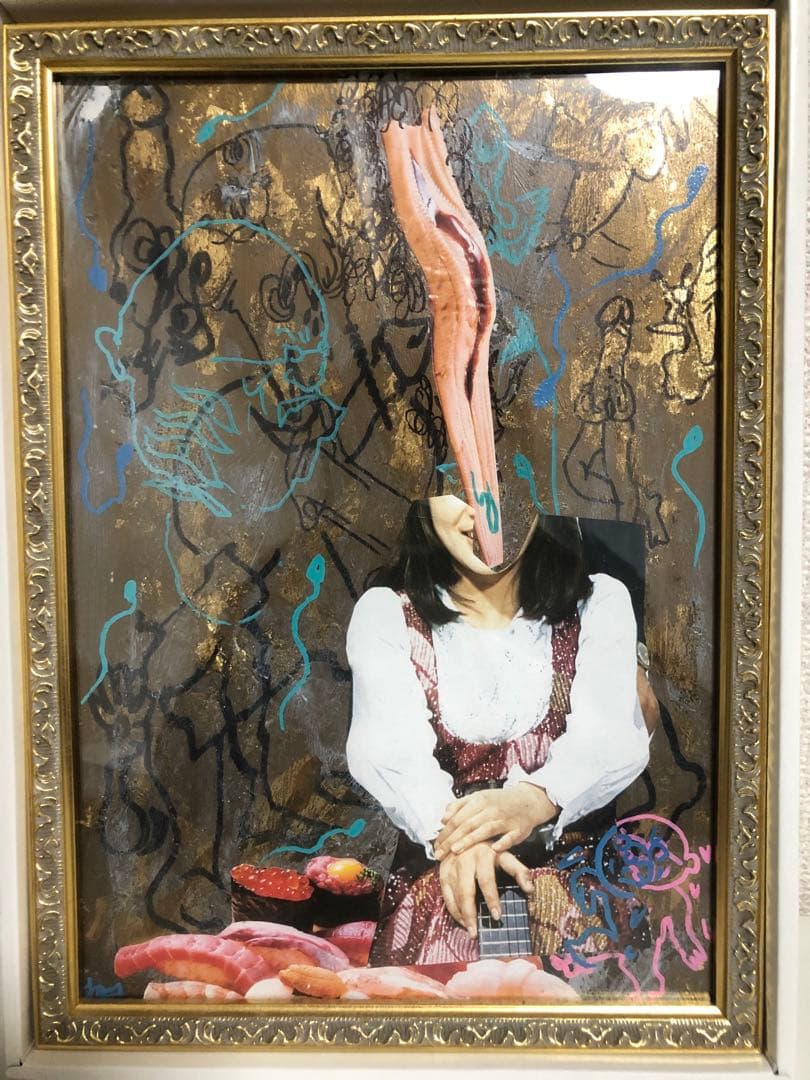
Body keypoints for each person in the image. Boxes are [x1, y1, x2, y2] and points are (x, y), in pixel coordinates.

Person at [346, 495, 652, 967]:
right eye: (457, 490)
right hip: (443, 899)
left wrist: (535, 799)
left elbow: (611, 737)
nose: (481, 511)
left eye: (503, 484)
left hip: (582, 910)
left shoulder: (598, 604)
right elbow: (387, 749)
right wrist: (459, 839)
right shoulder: (387, 615)